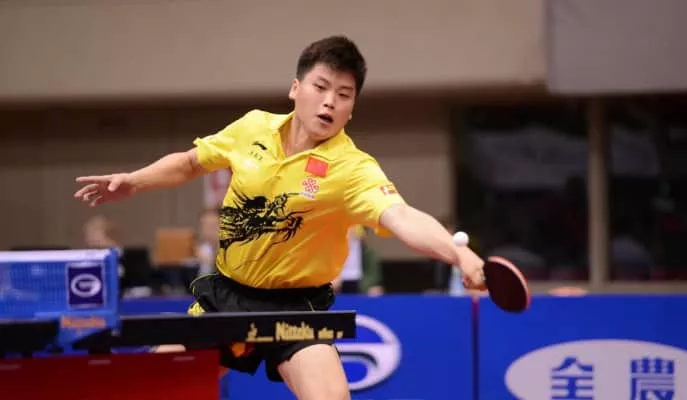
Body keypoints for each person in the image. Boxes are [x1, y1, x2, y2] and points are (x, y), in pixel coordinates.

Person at [73, 35, 486, 400]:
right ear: (295, 88)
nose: (330, 101)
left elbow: (401, 216)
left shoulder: (352, 168)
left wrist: (457, 253)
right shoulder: (253, 127)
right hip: (228, 296)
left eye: (343, 94)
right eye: (321, 87)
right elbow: (190, 162)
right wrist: (133, 181)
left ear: (351, 109)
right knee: (149, 388)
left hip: (297, 306)